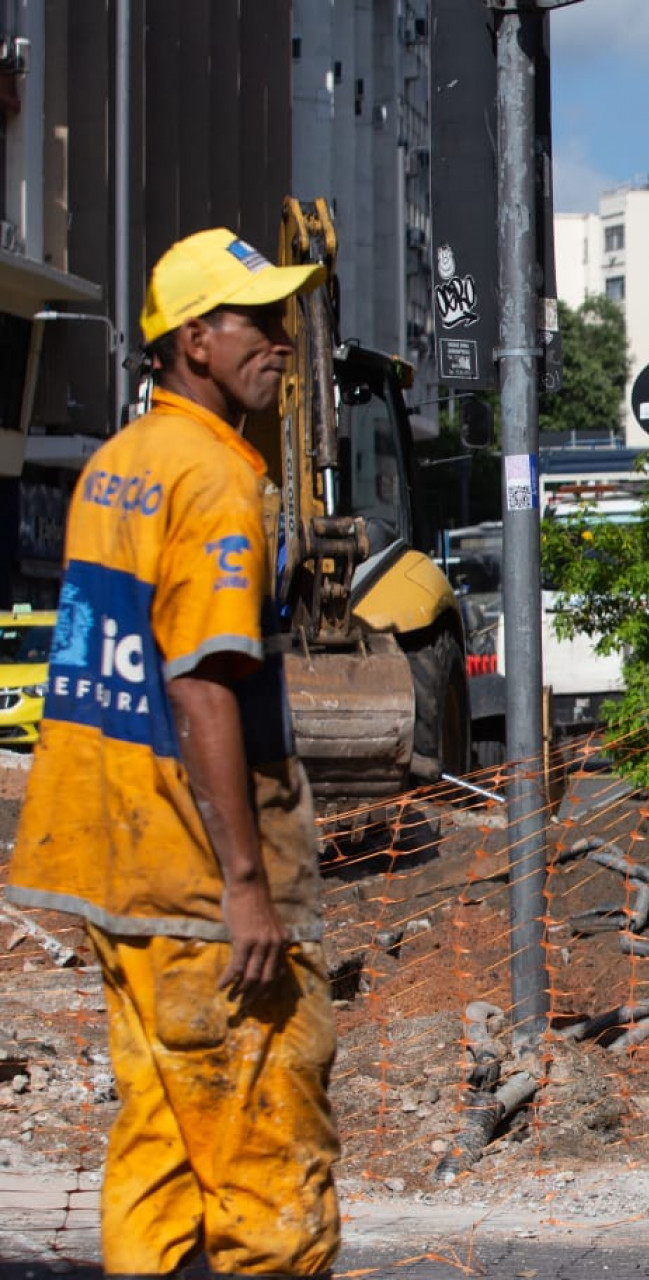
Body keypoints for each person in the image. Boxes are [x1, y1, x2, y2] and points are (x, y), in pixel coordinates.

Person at [5, 229, 340, 1276]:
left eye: (286, 317)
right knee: (267, 1146)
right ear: (194, 338)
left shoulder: (118, 467)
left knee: (158, 1140)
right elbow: (201, 683)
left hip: (112, 858)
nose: (283, 340)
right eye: (260, 319)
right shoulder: (215, 482)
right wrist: (246, 882)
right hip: (200, 880)